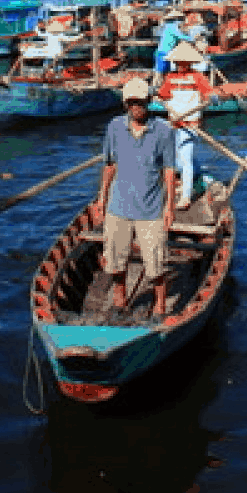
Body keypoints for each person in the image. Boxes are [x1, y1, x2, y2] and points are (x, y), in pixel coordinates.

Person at [93, 78, 178, 316]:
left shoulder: (163, 131)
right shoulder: (114, 127)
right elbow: (109, 165)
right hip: (118, 206)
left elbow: (169, 170)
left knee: (155, 264)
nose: (136, 107)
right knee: (116, 261)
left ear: (149, 102)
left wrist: (170, 206)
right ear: (126, 105)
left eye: (140, 102)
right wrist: (102, 198)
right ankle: (119, 298)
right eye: (131, 103)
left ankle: (159, 303)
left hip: (150, 210)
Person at [156, 41, 213, 208]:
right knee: (176, 158)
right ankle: (195, 178)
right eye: (178, 62)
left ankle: (186, 197)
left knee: (185, 159)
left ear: (189, 62)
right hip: (174, 122)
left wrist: (212, 97)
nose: (181, 65)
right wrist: (156, 95)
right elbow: (163, 95)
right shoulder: (171, 77)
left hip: (190, 124)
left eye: (184, 62)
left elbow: (208, 93)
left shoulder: (197, 77)